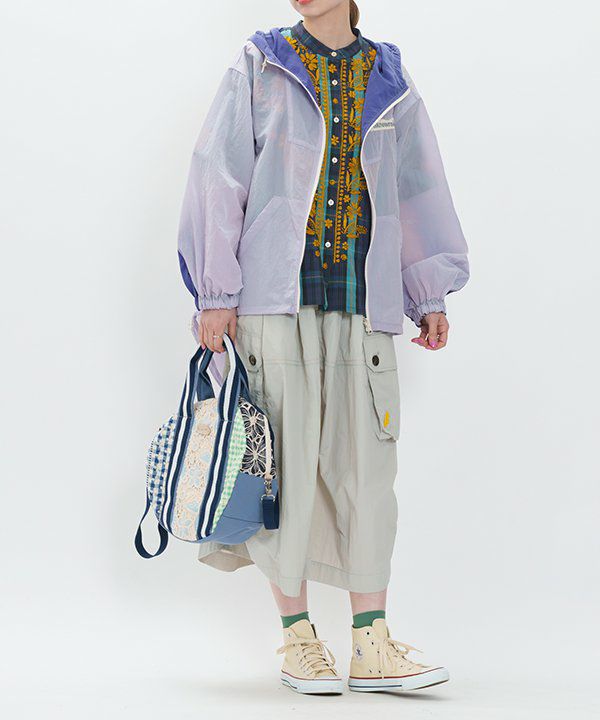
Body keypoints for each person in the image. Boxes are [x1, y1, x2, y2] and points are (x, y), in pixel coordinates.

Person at [177, 0, 468, 695]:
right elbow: (219, 171)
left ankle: (371, 643)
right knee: (283, 471)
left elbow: (417, 184)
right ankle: (298, 639)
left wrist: (426, 291)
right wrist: (216, 292)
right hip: (274, 301)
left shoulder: (387, 76)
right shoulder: (262, 63)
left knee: (367, 474)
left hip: (364, 303)